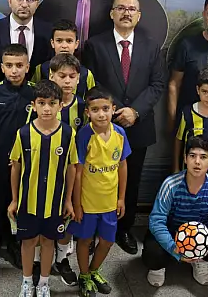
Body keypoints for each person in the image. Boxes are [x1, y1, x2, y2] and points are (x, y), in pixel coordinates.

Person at [82, 0, 166, 255]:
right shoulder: (95, 45)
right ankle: (93, 228)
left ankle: (123, 228)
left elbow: (157, 84)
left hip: (138, 125)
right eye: (121, 8)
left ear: (139, 16)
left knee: (131, 180)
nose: (126, 12)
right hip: (103, 125)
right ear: (112, 13)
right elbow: (92, 82)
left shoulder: (151, 46)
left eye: (132, 9)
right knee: (97, 176)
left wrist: (135, 111)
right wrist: (116, 110)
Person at [142, 136, 208, 287]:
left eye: (203, 157)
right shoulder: (170, 184)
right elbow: (156, 221)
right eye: (192, 156)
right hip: (172, 231)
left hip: (201, 234)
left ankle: (199, 259)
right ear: (185, 159)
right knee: (152, 254)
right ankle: (160, 266)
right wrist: (173, 248)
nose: (197, 162)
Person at [8, 80, 78, 297]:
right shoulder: (23, 133)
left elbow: (71, 167)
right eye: (41, 103)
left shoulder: (68, 134)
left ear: (61, 106)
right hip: (28, 201)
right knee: (28, 242)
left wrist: (68, 200)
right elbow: (16, 167)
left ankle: (44, 283)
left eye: (52, 103)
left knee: (48, 242)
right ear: (33, 105)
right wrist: (14, 199)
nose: (47, 108)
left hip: (55, 203)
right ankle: (27, 281)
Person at [0, 43, 37, 270]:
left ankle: (15, 245)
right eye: (9, 65)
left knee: (22, 207)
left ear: (27, 67)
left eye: (19, 65)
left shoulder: (35, 93)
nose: (14, 70)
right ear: (2, 68)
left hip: (26, 165)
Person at [69, 87, 129, 297]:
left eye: (105, 108)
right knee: (85, 240)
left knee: (107, 241)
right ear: (87, 112)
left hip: (110, 202)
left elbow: (122, 165)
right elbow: (78, 173)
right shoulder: (84, 135)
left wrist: (121, 198)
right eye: (95, 110)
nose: (101, 114)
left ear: (113, 109)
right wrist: (77, 204)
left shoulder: (120, 133)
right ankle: (84, 275)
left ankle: (94, 271)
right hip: (87, 202)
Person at [40, 53, 86, 285]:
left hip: (73, 171)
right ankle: (39, 260)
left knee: (68, 215)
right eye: (62, 76)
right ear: (51, 76)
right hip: (44, 172)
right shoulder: (41, 105)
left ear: (78, 78)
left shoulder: (83, 107)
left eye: (72, 76)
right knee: (42, 214)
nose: (67, 81)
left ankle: (62, 258)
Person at [173, 66, 208, 177]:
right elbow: (178, 141)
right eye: (205, 91)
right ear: (198, 90)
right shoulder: (187, 113)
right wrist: (176, 167)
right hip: (187, 174)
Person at [32, 19, 96, 99]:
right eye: (59, 41)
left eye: (69, 41)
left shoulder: (86, 74)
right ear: (52, 43)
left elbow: (92, 101)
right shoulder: (41, 70)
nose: (64, 46)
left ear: (76, 44)